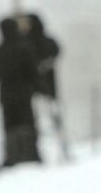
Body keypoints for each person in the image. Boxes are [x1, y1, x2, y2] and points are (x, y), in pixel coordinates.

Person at [0, 16, 41, 167]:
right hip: (23, 95)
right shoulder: (24, 48)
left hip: (6, 96)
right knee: (26, 124)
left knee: (10, 126)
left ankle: (12, 156)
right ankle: (30, 154)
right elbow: (33, 71)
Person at [24, 12, 71, 162]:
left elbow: (55, 53)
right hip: (40, 89)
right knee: (47, 122)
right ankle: (54, 153)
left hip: (43, 88)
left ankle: (59, 153)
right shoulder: (30, 42)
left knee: (51, 120)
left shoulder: (30, 42)